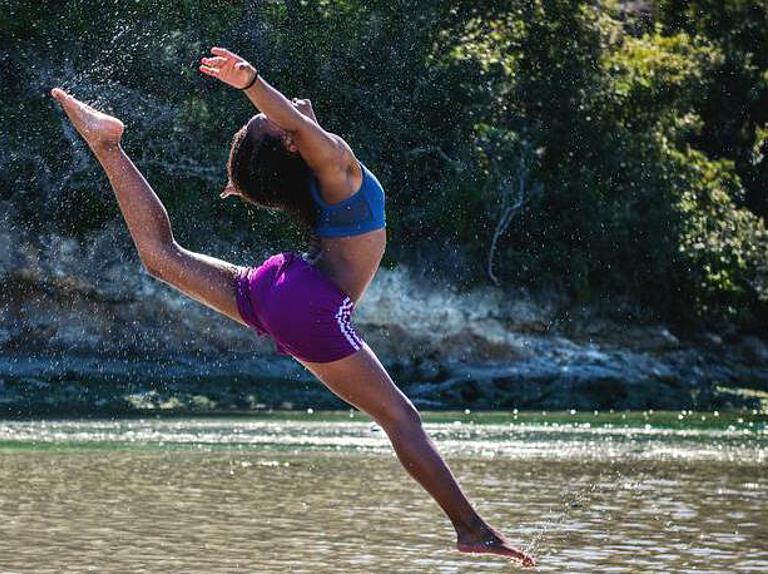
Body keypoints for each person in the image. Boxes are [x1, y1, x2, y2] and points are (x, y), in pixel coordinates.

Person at [50, 46, 536, 567]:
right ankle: (472, 529)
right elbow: (293, 125)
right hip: (306, 302)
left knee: (163, 258)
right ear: (288, 139)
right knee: (401, 418)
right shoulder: (336, 165)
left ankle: (106, 146)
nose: (282, 107)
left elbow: (283, 139)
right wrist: (251, 83)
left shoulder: (321, 183)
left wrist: (252, 154)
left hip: (280, 284)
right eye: (271, 118)